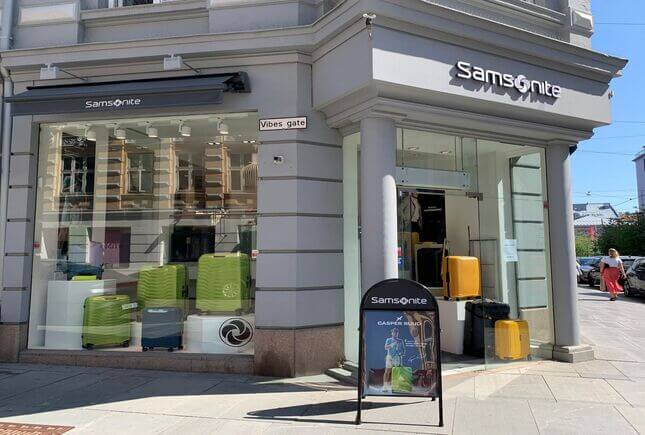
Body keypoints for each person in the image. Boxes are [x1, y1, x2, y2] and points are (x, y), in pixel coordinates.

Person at [382, 327, 405, 392]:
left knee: (397, 372)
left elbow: (403, 350)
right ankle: (385, 386)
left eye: (396, 332)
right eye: (394, 332)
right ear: (392, 333)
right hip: (390, 357)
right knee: (387, 371)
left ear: (398, 333)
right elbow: (385, 347)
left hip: (397, 357)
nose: (395, 334)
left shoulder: (400, 341)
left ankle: (395, 387)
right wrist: (392, 344)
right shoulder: (388, 340)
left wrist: (401, 353)